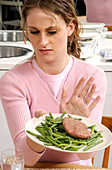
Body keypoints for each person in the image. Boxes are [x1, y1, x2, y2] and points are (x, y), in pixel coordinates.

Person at [0, 0, 107, 167]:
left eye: (51, 32)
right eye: (34, 32)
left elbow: (88, 153)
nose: (42, 41)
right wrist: (43, 130)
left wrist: (78, 124)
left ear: (70, 27)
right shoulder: (13, 81)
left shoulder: (92, 77)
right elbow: (25, 157)